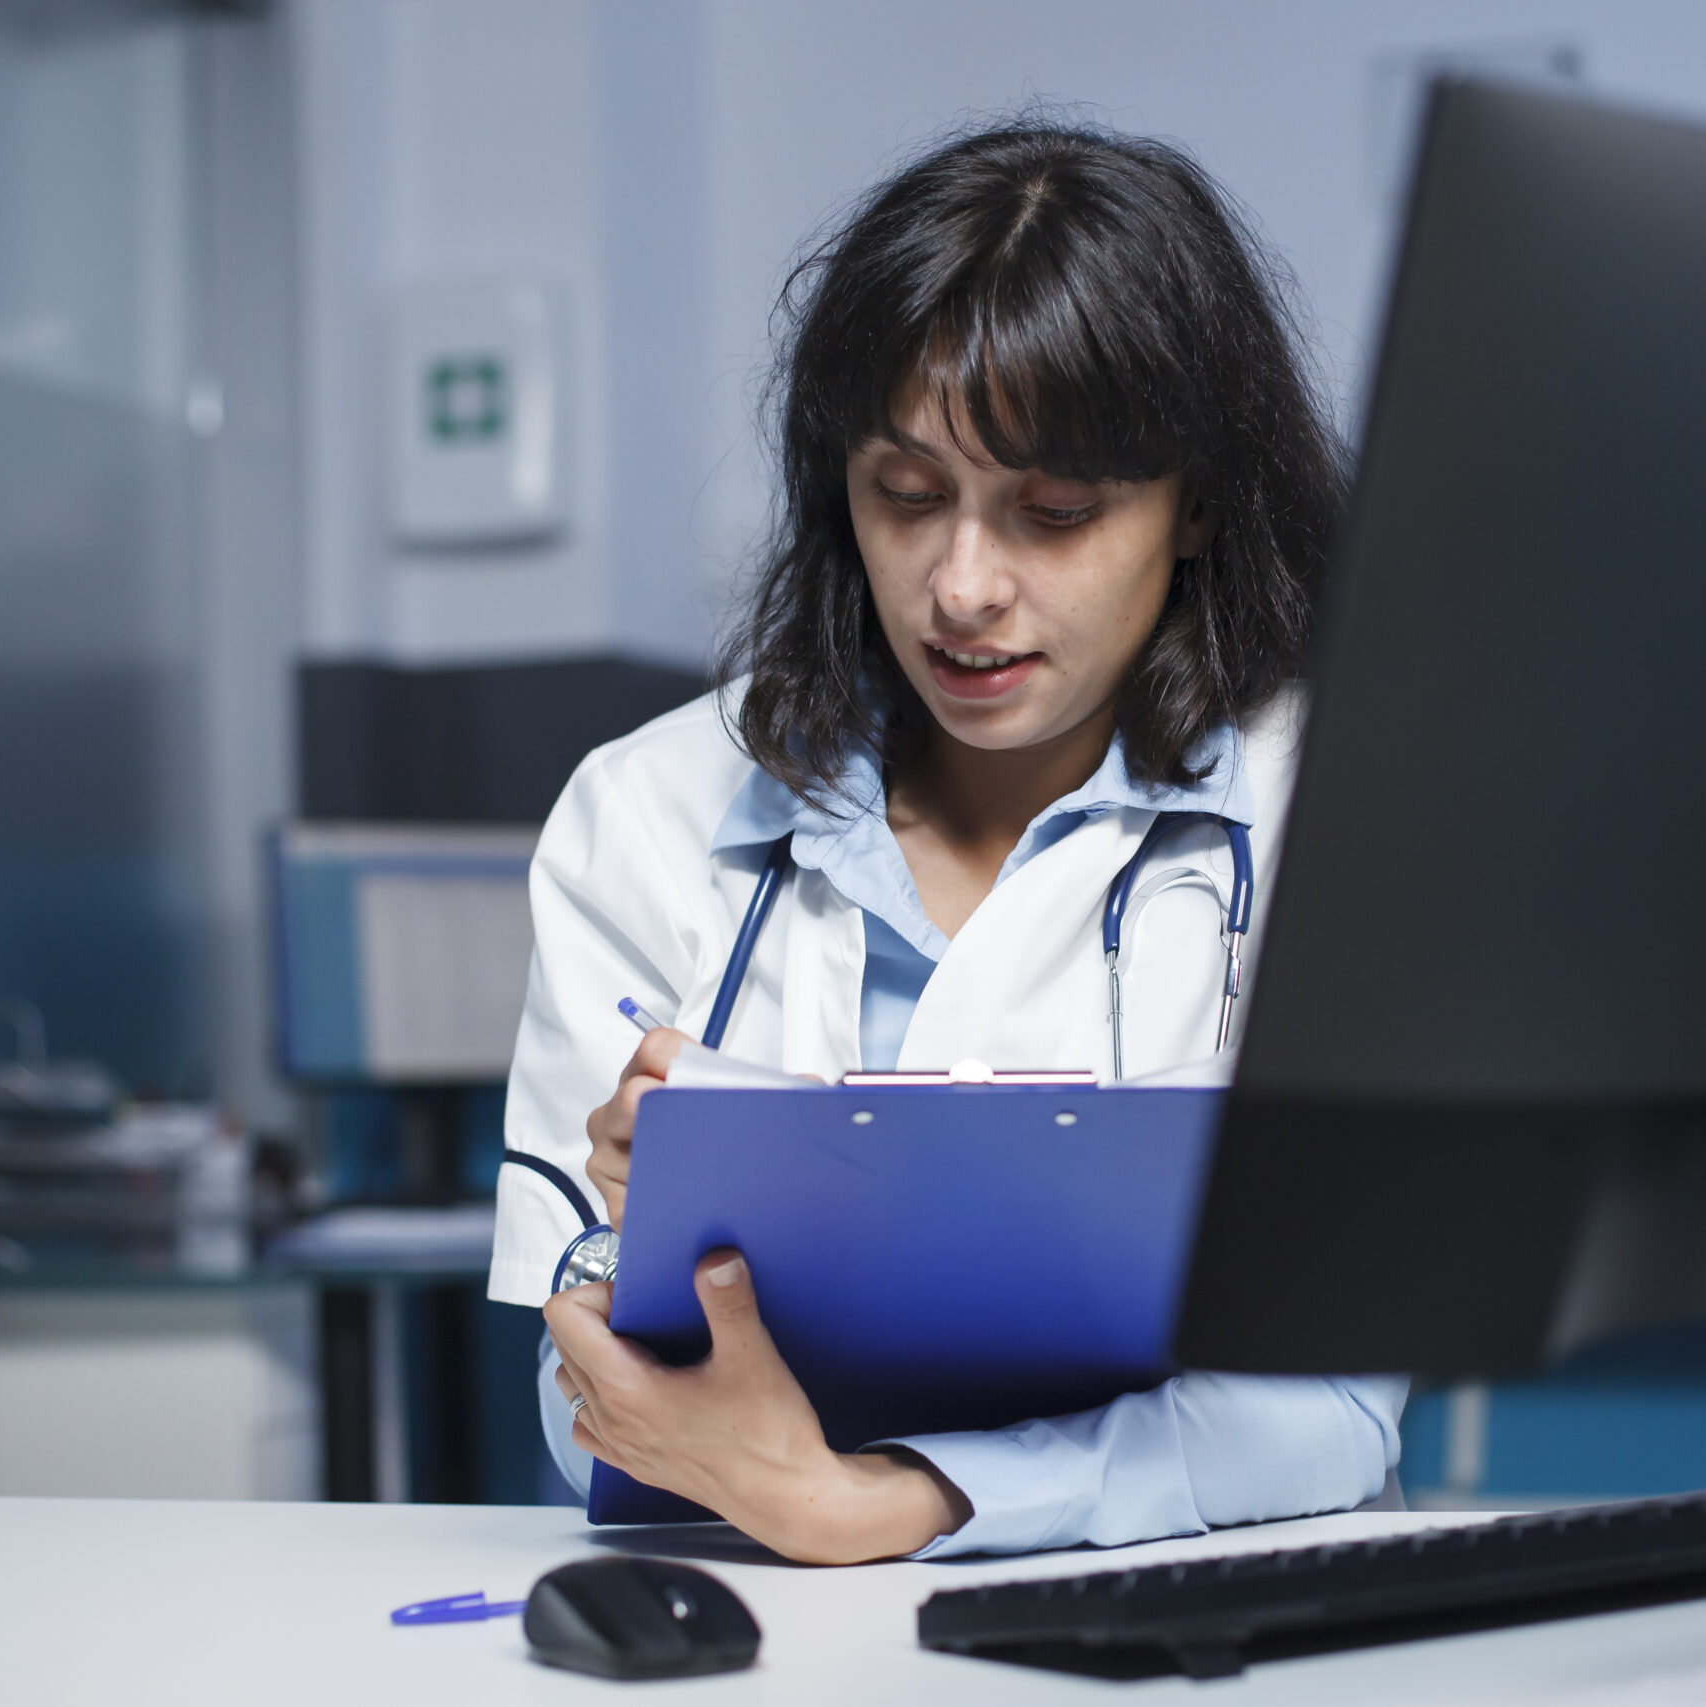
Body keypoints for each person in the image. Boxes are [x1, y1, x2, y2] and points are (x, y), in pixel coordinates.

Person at [488, 120, 1408, 1564]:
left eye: (1054, 512)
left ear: (1200, 509)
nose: (961, 587)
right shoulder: (650, 814)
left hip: (1196, 1625)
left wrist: (879, 1503)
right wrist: (627, 1250)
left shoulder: (1337, 812)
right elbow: (574, 1398)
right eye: (905, 496)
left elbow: (1331, 1404)